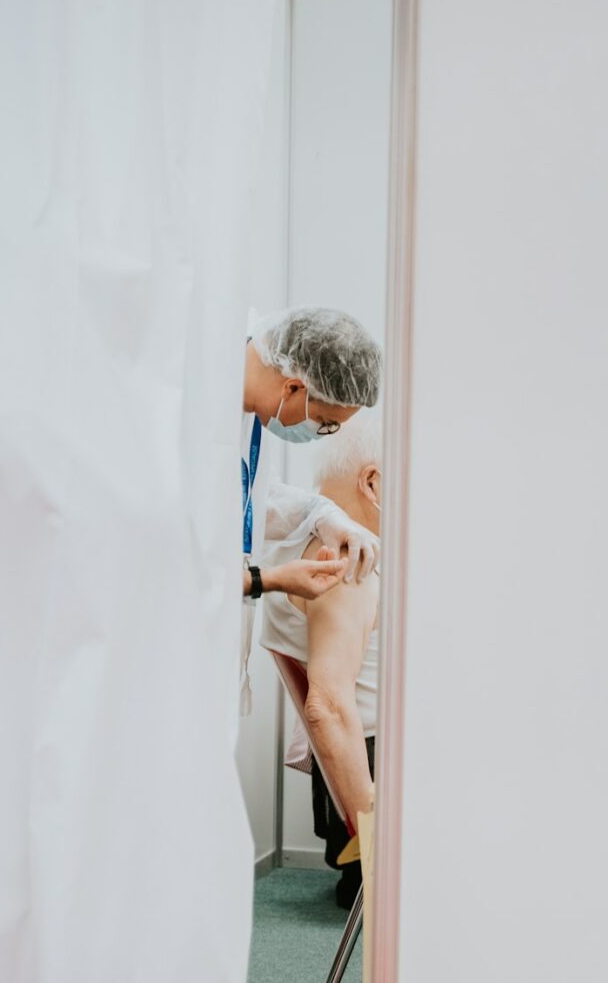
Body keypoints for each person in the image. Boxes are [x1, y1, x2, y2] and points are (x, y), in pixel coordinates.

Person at [260, 413, 381, 908]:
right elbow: (326, 708)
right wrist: (378, 840)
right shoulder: (349, 560)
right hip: (368, 767)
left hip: (339, 775)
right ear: (373, 481)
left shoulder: (305, 542)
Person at [238, 307, 382, 711]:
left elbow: (250, 503)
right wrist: (270, 579)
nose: (320, 434)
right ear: (294, 389)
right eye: (324, 421)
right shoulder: (197, 408)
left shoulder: (252, 416)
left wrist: (325, 514)